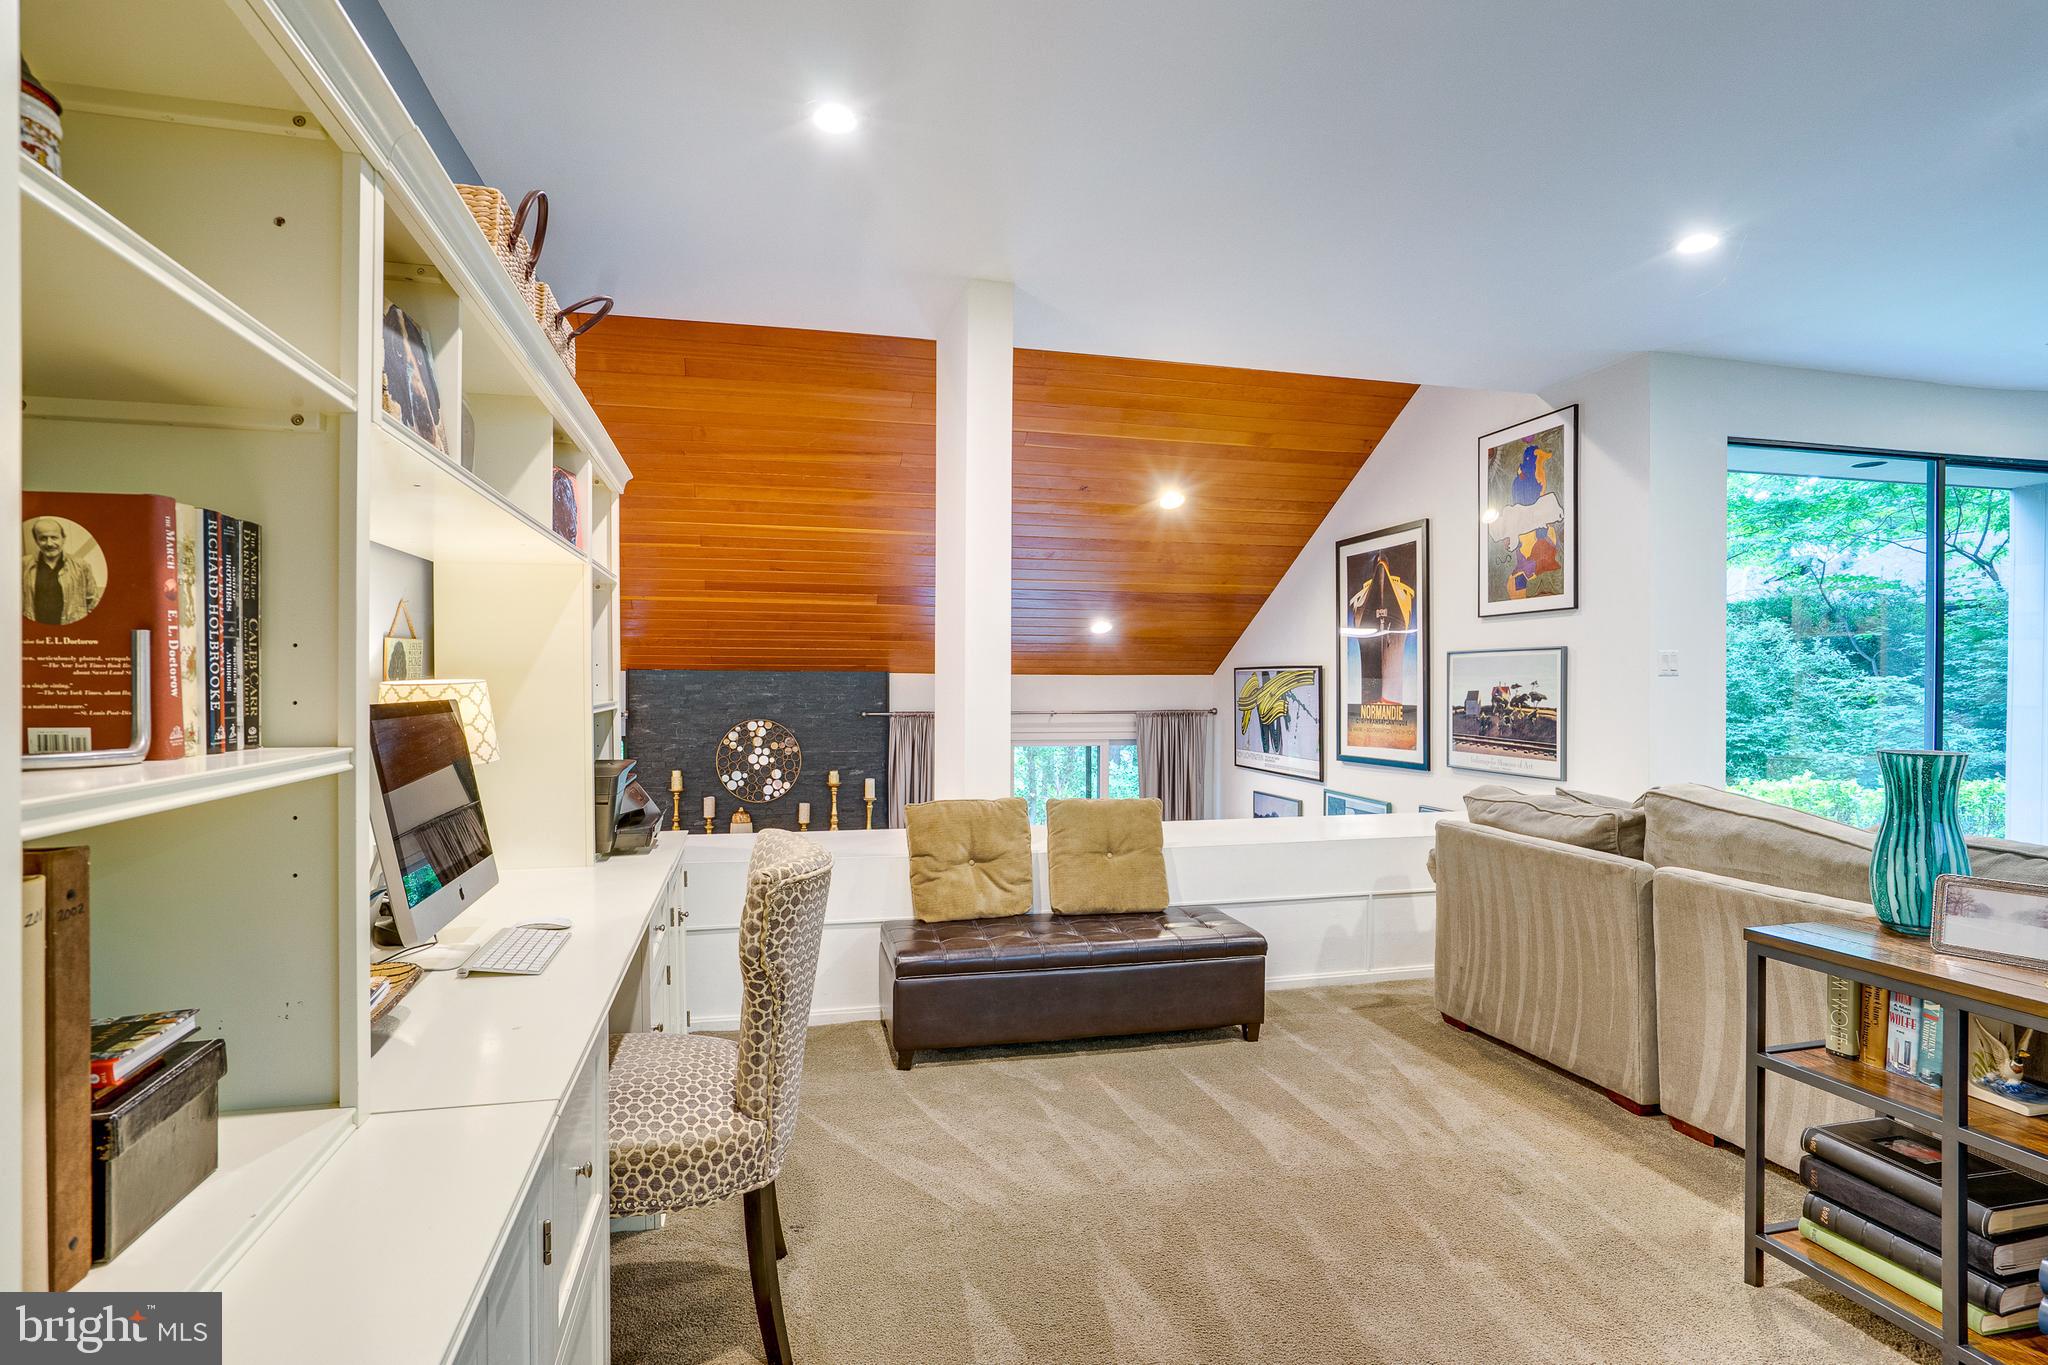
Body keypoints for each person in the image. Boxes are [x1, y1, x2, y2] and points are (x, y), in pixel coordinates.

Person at [22, 517, 100, 625]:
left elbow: (93, 602)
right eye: (43, 538)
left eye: (54, 537)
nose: (49, 543)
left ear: (63, 539)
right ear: (36, 541)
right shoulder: (23, 565)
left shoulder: (81, 566)